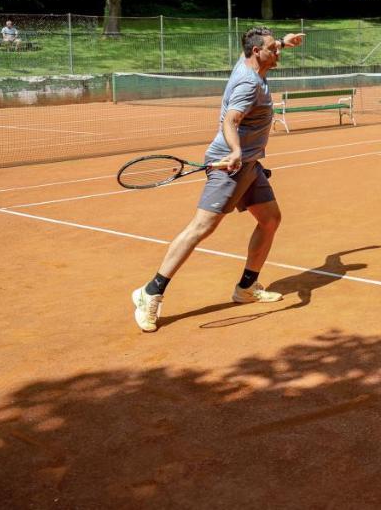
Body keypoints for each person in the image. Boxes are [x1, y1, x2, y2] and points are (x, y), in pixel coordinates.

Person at [131, 26, 305, 333]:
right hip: (230, 165)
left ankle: (246, 289)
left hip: (250, 165)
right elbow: (231, 119)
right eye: (273, 49)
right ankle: (151, 292)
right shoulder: (248, 83)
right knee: (201, 228)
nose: (278, 53)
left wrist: (282, 42)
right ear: (256, 52)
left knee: (270, 219)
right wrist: (236, 150)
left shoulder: (249, 61)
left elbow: (260, 48)